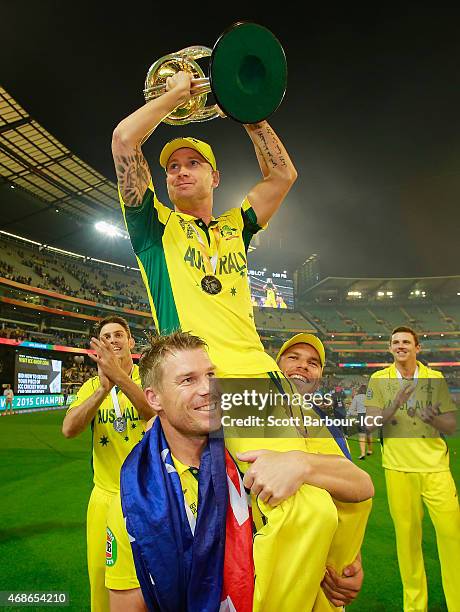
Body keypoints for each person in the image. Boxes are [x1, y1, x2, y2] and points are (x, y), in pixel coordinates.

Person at [112, 72, 374, 612]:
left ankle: (336, 577)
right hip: (214, 379)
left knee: (354, 492)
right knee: (303, 512)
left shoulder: (235, 227)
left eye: (192, 163)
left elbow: (283, 175)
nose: (181, 171)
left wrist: (246, 108)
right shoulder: (153, 228)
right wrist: (177, 97)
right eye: (173, 167)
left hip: (267, 376)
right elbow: (123, 141)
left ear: (214, 174)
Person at [105, 331, 373, 612]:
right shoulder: (136, 502)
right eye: (188, 379)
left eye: (211, 375)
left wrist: (300, 464)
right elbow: (128, 604)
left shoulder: (251, 442)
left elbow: (360, 486)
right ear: (154, 398)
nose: (208, 387)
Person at [62, 316, 155, 612]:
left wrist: (119, 378)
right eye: (106, 336)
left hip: (149, 494)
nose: (112, 340)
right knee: (102, 580)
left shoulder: (151, 378)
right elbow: (69, 429)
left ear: (130, 342)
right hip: (104, 497)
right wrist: (103, 389)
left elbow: (151, 412)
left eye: (118, 335)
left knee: (151, 576)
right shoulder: (91, 385)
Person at [365, 326, 459, 612]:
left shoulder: (436, 378)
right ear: (390, 349)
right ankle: (415, 606)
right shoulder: (378, 380)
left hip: (435, 469)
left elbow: (451, 426)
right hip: (398, 468)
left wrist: (435, 420)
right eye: (395, 342)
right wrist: (394, 404)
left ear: (418, 348)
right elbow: (369, 424)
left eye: (406, 341)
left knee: (452, 535)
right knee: (407, 542)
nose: (400, 345)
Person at [276, 332, 372, 609]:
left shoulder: (331, 430)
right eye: (293, 358)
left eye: (313, 363)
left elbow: (349, 498)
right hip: (267, 566)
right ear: (275, 367)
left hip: (322, 575)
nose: (303, 365)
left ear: (318, 377)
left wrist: (352, 563)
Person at [350, 384, 372, 460]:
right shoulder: (370, 397)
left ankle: (362, 454)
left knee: (362, 435)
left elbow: (351, 411)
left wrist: (358, 413)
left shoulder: (356, 397)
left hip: (361, 417)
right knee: (369, 434)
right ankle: (369, 450)